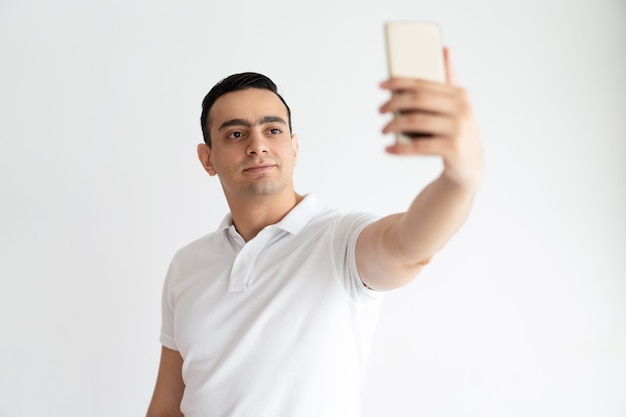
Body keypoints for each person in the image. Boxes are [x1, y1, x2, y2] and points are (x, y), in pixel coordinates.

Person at [146, 48, 483, 417]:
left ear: (293, 147)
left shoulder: (341, 240)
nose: (257, 145)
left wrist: (459, 179)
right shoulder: (187, 265)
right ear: (207, 158)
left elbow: (407, 244)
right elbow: (167, 404)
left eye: (272, 130)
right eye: (236, 133)